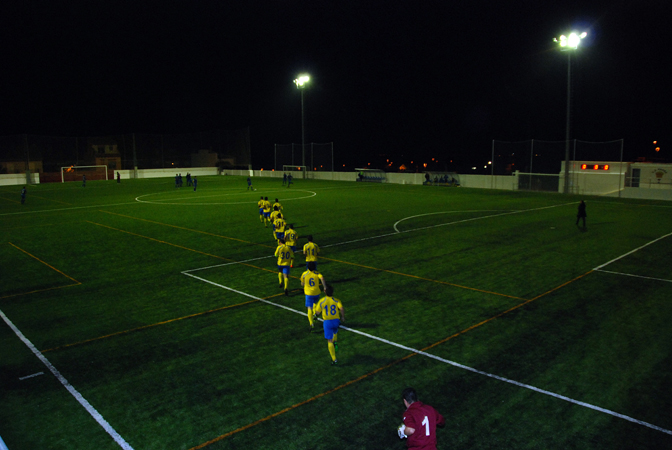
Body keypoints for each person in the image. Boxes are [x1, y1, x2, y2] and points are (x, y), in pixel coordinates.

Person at [313, 284, 345, 365]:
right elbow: (341, 308)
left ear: (325, 292)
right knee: (335, 331)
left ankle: (334, 359)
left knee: (329, 340)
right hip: (336, 321)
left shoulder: (322, 301)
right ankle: (336, 342)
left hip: (327, 322)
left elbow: (317, 312)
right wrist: (343, 317)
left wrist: (315, 316)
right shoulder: (337, 300)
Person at [301, 261, 327, 331]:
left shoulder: (304, 274)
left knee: (309, 308)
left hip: (308, 294)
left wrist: (304, 284)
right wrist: (324, 287)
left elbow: (302, 284)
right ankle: (315, 314)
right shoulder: (317, 273)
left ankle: (311, 323)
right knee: (315, 304)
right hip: (316, 292)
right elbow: (322, 278)